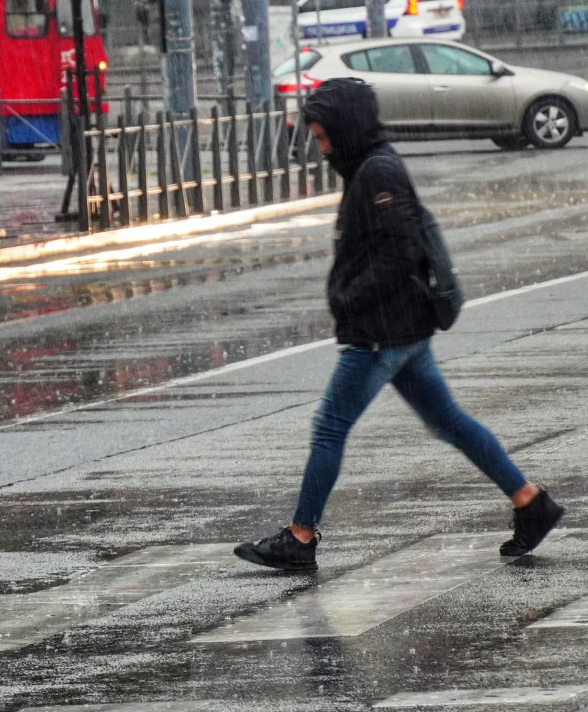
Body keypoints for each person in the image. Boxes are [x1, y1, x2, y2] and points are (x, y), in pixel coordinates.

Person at [234, 78, 563, 571]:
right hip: (402, 329)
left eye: (324, 138)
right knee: (448, 421)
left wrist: (348, 296)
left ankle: (301, 537)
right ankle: (530, 502)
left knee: (330, 427)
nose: (322, 149)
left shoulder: (377, 172)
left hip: (381, 332)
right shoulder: (370, 165)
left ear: (345, 127)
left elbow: (398, 252)